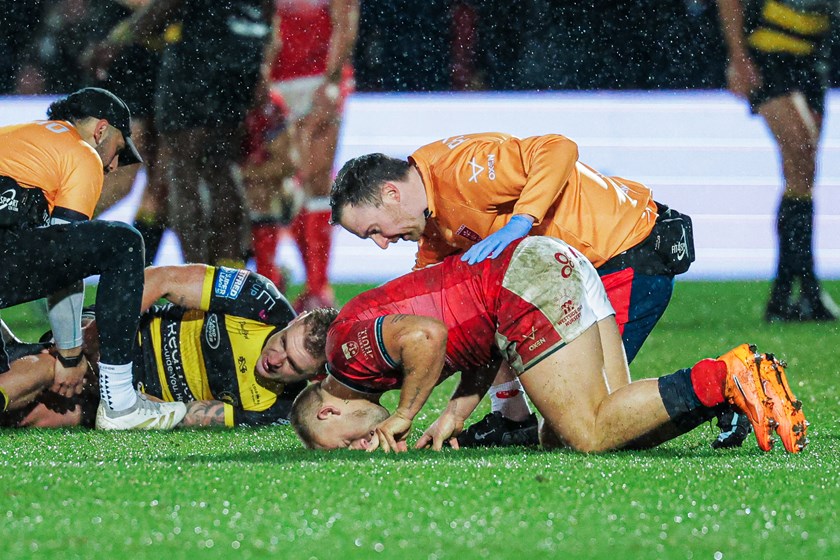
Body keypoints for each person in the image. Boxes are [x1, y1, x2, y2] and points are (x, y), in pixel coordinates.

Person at [328, 132, 718, 447]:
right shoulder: (432, 228)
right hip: (581, 273)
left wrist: (522, 220)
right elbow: (456, 319)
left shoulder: (460, 171)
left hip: (625, 254)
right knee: (584, 426)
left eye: (374, 230)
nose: (381, 244)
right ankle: (512, 418)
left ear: (392, 194)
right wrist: (456, 409)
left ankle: (724, 385)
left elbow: (558, 147)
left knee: (591, 425)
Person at [289, 236, 808, 456]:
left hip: (522, 280)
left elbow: (430, 336)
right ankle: (731, 389)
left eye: (342, 445)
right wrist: (457, 408)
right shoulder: (366, 363)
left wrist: (406, 413)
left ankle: (727, 374)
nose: (361, 447)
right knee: (603, 431)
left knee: (588, 432)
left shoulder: (343, 354)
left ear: (329, 413)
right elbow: (467, 337)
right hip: (540, 267)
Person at [0, 86, 185, 430]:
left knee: (12, 370)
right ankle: (120, 404)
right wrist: (70, 355)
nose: (114, 166)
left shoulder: (18, 139)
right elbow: (65, 266)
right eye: (118, 150)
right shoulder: (80, 151)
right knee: (124, 243)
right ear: (101, 130)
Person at [0, 264, 338, 428]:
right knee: (54, 368)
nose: (277, 359)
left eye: (293, 365)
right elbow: (159, 279)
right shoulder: (257, 299)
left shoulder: (277, 408)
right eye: (282, 343)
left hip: (134, 399)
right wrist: (99, 333)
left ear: (315, 376)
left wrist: (143, 409)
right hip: (120, 336)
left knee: (37, 415)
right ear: (294, 321)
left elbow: (195, 416)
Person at [105, 0, 273, 267]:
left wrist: (122, 38)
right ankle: (230, 273)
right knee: (221, 168)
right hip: (245, 48)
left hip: (202, 53)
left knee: (182, 169)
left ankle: (197, 276)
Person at [717, 0, 838, 322]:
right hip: (768, 52)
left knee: (802, 174)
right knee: (801, 153)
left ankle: (789, 295)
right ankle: (801, 292)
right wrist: (738, 57)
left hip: (813, 57)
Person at [247, 0, 360, 309]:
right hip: (276, 82)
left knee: (316, 179)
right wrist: (262, 79)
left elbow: (344, 20)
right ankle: (269, 279)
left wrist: (332, 82)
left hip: (316, 78)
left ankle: (317, 288)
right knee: (272, 179)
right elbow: (264, 24)